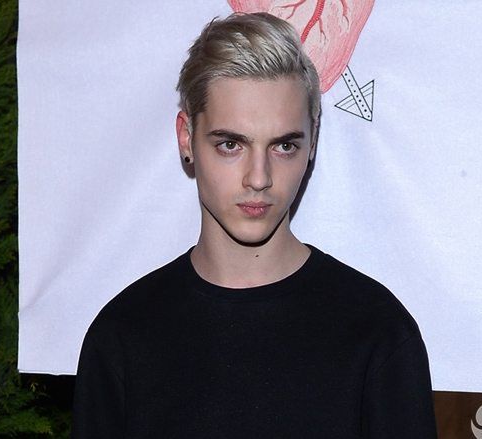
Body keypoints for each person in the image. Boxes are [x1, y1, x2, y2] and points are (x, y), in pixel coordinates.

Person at [72, 12, 437, 438]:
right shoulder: (122, 335)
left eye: (283, 146)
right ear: (187, 138)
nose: (259, 178)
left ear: (312, 141)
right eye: (231, 144)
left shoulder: (378, 331)